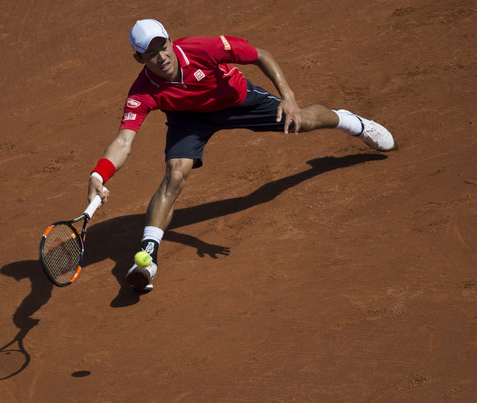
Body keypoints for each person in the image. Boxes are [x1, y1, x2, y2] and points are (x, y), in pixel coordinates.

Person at [87, 19, 395, 292]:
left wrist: (288, 96)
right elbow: (124, 141)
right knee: (175, 173)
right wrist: (99, 175)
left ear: (170, 41)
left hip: (236, 99)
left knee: (300, 122)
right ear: (138, 58)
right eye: (150, 53)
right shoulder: (142, 91)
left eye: (163, 46)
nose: (161, 56)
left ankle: (352, 123)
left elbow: (261, 55)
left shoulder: (201, 49)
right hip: (190, 119)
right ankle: (148, 259)